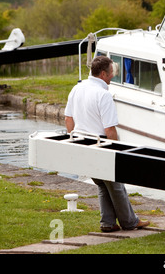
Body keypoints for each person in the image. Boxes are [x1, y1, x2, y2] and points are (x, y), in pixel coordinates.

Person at [64, 55, 149, 232]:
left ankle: (108, 223)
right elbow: (110, 129)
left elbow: (68, 118)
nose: (113, 76)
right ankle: (129, 222)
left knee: (103, 184)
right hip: (100, 144)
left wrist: (71, 140)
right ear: (103, 74)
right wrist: (115, 152)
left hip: (81, 142)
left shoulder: (77, 88)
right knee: (116, 185)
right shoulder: (103, 95)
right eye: (111, 72)